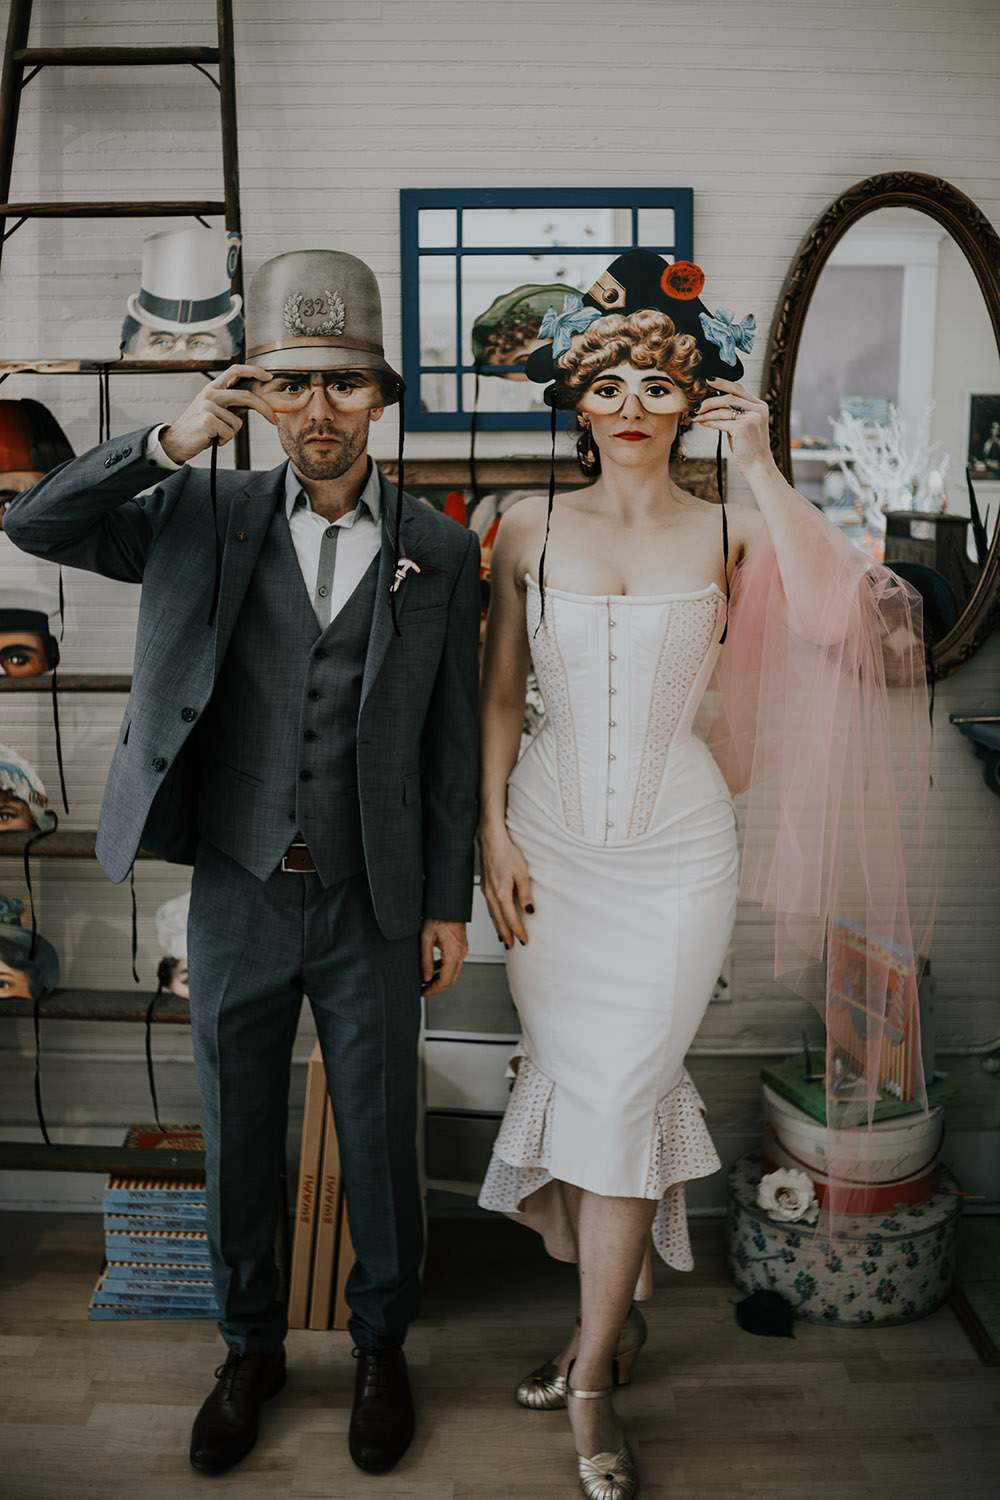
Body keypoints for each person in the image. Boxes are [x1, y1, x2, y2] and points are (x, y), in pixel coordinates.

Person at [4, 248, 481, 1478]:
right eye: (288, 384)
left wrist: (446, 903)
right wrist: (168, 440)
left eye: (341, 384)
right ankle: (249, 1347)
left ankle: (381, 1346)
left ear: (381, 396)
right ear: (257, 395)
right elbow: (36, 518)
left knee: (378, 1137)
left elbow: (444, 744)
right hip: (235, 889)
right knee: (238, 1125)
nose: (315, 410)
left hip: (376, 898)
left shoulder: (439, 543)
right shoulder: (195, 513)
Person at [476, 249, 933, 1500]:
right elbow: (503, 695)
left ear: (693, 401)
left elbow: (849, 618)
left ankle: (586, 1383)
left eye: (657, 383)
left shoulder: (735, 527)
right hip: (547, 853)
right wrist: (489, 836)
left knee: (621, 1094)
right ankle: (605, 1321)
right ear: (576, 397)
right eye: (607, 378)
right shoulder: (524, 524)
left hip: (679, 855)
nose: (630, 400)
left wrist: (765, 464)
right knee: (578, 1096)